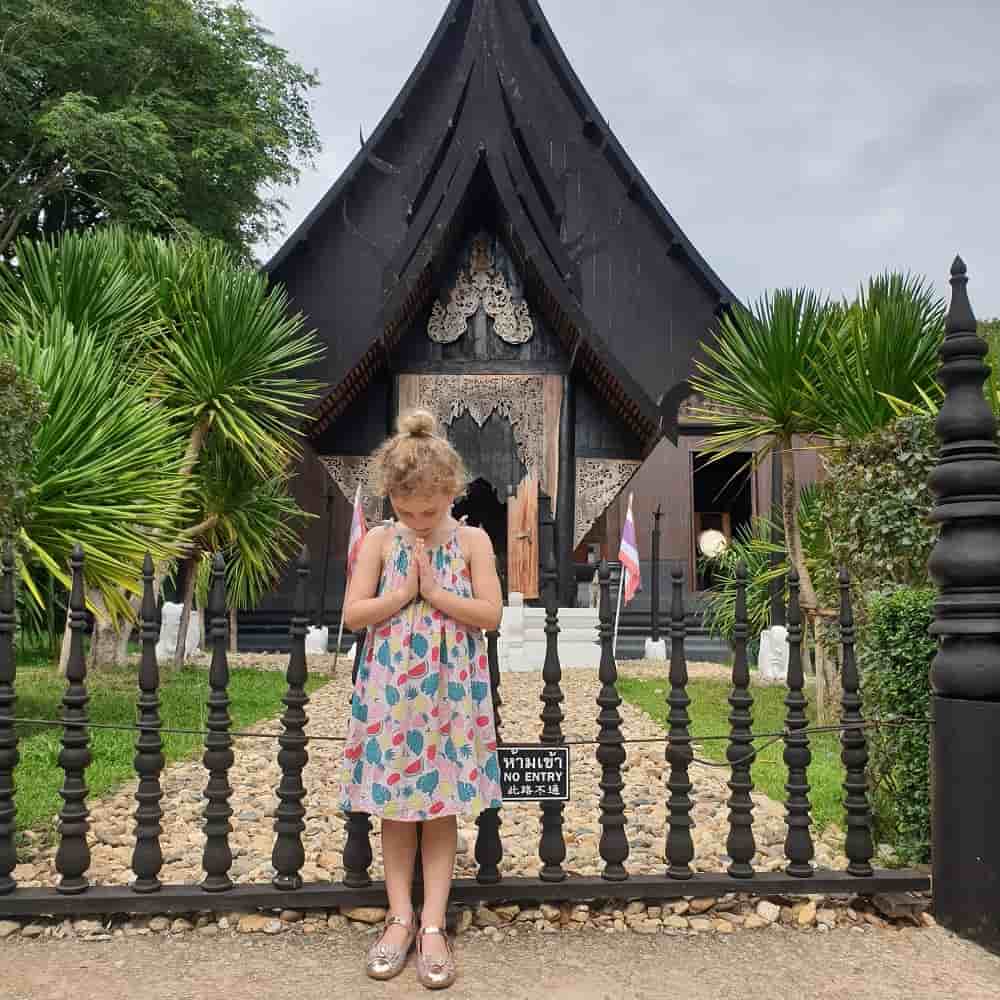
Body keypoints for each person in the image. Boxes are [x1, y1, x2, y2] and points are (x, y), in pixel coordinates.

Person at [338, 408, 504, 990]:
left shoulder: (473, 540)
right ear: (391, 498)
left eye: (428, 511)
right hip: (391, 693)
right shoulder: (382, 541)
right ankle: (399, 918)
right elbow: (354, 614)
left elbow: (490, 613)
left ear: (450, 491)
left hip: (450, 692)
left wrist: (433, 592)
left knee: (440, 807)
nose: (417, 520)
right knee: (395, 807)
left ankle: (433, 924)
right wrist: (405, 591)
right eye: (406, 510)